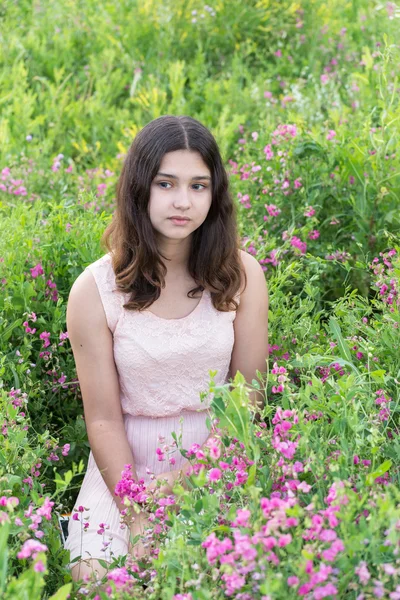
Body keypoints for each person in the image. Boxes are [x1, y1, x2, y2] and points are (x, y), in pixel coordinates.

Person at [64, 114, 269, 583]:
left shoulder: (241, 275)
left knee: (225, 574)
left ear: (214, 194)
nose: (183, 202)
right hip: (124, 464)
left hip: (220, 454)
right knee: (98, 578)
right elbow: (101, 419)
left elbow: (247, 403)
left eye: (199, 186)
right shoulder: (95, 289)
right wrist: (138, 513)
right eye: (166, 183)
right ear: (140, 188)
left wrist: (184, 484)